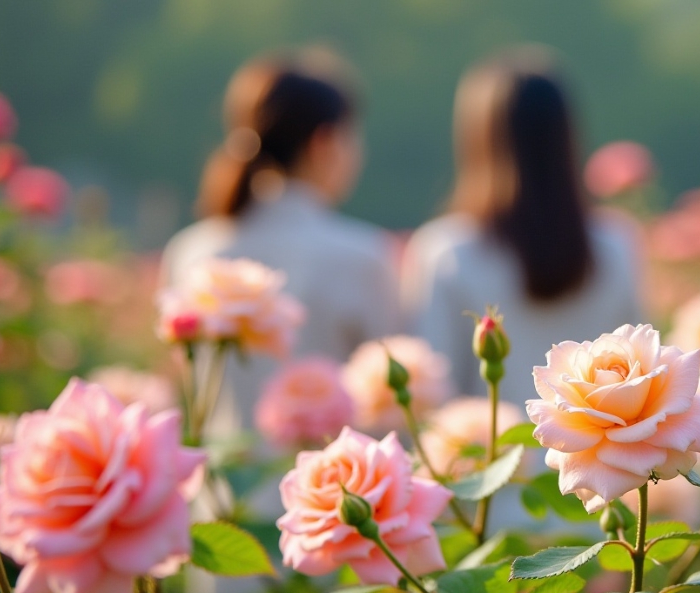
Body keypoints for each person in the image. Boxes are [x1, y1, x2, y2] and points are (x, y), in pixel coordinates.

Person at [161, 48, 400, 439]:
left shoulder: (191, 252)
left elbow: (185, 396)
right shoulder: (364, 256)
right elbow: (391, 410)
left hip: (222, 492)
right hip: (337, 493)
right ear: (325, 143)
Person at [402, 46, 644, 411]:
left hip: (486, 462)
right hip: (597, 461)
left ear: (477, 140)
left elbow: (432, 397)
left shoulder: (446, 252)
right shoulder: (616, 243)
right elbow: (641, 373)